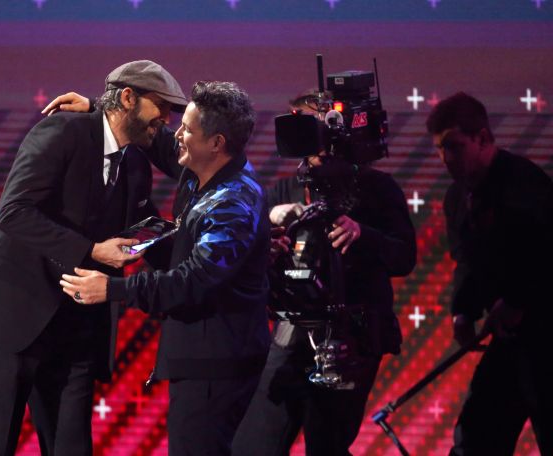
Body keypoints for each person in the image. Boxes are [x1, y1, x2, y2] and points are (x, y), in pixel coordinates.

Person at [0, 60, 187, 455]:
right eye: (161, 107)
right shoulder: (60, 131)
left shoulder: (135, 163)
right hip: (13, 312)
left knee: (71, 445)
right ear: (128, 98)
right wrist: (92, 251)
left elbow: (176, 166)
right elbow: (15, 213)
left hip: (77, 325)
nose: (166, 120)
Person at [59, 81, 271, 456]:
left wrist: (113, 289)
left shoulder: (233, 204)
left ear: (217, 142)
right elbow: (157, 143)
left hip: (217, 370)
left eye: (187, 129)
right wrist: (99, 109)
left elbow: (193, 282)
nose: (177, 136)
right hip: (203, 361)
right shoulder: (203, 170)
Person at [231, 90, 417, 456]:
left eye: (315, 126)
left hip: (353, 337)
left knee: (327, 445)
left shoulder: (377, 188)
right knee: (254, 445)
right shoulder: (283, 191)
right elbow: (242, 260)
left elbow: (404, 257)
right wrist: (265, 226)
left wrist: (363, 234)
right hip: (291, 334)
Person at [427, 92, 553, 455]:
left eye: (453, 146)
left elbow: (544, 254)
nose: (444, 158)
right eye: (439, 148)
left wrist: (516, 301)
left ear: (482, 138)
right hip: (512, 340)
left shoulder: (524, 184)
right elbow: (467, 261)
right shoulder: (457, 199)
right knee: (476, 437)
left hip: (546, 336)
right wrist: (463, 310)